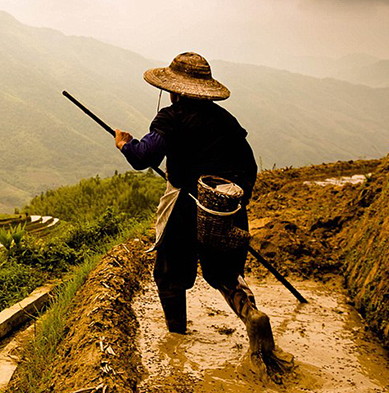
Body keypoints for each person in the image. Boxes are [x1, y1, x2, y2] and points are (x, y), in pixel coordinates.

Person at [115, 52, 293, 373]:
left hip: (185, 207)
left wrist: (125, 144)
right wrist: (233, 204)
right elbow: (249, 167)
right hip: (225, 207)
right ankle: (251, 314)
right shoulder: (227, 121)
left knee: (169, 275)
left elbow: (145, 157)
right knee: (226, 273)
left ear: (175, 90)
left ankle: (177, 340)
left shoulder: (172, 117)